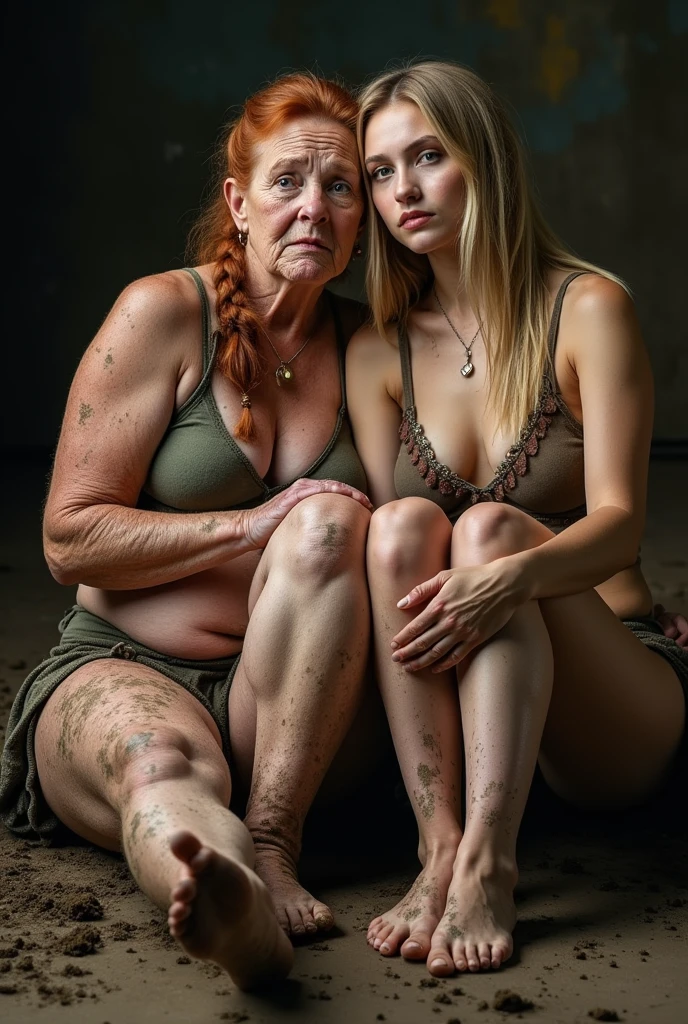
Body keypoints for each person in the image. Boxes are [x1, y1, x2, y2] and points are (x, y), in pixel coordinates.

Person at [0, 72, 376, 990]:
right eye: (288, 182)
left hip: (295, 703)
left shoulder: (379, 345)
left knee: (329, 527)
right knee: (154, 762)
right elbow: (69, 540)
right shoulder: (165, 313)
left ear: (365, 215)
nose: (314, 209)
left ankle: (274, 845)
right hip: (123, 662)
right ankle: (227, 902)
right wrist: (253, 526)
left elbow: (467, 493)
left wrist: (617, 599)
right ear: (239, 203)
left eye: (341, 188)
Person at [346, 61, 688, 978]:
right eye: (380, 171)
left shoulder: (587, 309)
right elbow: (398, 566)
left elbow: (618, 525)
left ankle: (492, 862)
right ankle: (440, 845)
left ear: (484, 159)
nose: (403, 190)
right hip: (471, 705)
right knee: (399, 527)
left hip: (611, 687)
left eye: (428, 156)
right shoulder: (379, 347)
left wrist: (510, 574)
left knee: (490, 530)